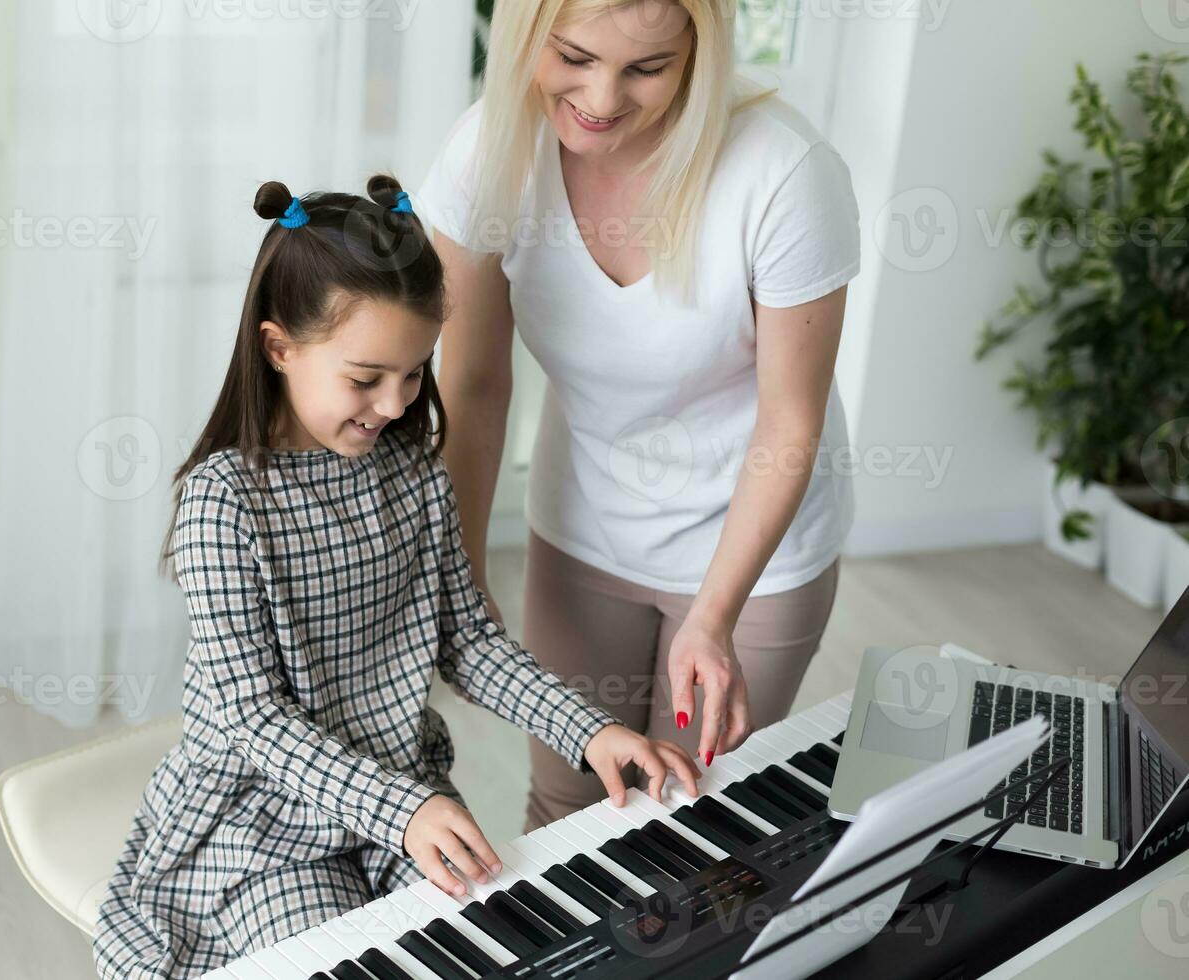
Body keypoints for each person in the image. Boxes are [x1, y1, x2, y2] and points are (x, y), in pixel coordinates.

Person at [91, 174, 701, 979]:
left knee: (489, 950)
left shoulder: (411, 470)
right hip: (264, 824)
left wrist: (587, 731)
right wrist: (406, 809)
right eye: (365, 377)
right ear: (280, 347)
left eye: (413, 373)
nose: (393, 403)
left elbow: (470, 642)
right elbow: (249, 717)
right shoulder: (223, 503)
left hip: (400, 791)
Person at [416, 0, 858, 833]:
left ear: (699, 51)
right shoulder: (490, 150)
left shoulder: (785, 172)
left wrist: (714, 616)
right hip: (585, 530)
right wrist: (461, 577)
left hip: (752, 553)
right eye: (573, 56)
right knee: (567, 806)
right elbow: (472, 383)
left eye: (646, 68)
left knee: (691, 829)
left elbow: (788, 424)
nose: (601, 96)